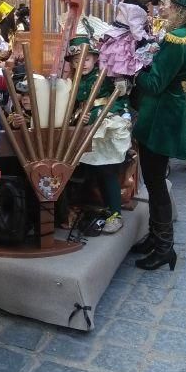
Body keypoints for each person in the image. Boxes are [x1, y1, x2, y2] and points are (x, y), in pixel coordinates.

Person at [130, 0, 186, 271]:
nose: (164, 6)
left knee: (155, 182)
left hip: (161, 117)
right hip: (170, 112)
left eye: (169, 3)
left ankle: (165, 247)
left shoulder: (177, 40)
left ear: (182, 10)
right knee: (154, 181)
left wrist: (137, 68)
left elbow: (154, 84)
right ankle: (156, 237)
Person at [67, 35, 131, 235]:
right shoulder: (74, 81)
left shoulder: (104, 76)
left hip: (105, 127)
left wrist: (94, 114)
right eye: (77, 60)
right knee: (88, 171)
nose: (82, 64)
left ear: (95, 59)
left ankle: (115, 214)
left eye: (86, 59)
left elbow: (118, 100)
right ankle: (91, 207)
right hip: (83, 128)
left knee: (106, 170)